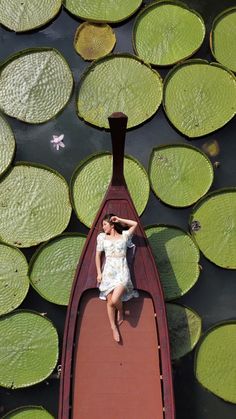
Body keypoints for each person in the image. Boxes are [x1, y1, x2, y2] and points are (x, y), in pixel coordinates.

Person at [95, 213, 138, 342]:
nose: (103, 227)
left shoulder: (124, 236)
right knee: (109, 301)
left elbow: (135, 224)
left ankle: (121, 309)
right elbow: (98, 256)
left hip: (122, 269)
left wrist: (119, 219)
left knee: (114, 300)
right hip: (108, 271)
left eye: (105, 224)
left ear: (112, 225)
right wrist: (99, 273)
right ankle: (113, 327)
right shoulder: (102, 238)